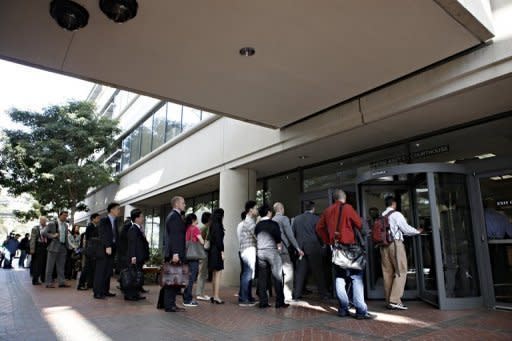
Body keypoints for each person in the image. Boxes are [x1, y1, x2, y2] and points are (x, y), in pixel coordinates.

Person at [316, 189, 374, 319]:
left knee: (340, 278)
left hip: (337, 249)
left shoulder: (327, 211)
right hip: (351, 249)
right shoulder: (348, 208)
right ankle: (361, 311)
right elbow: (359, 224)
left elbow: (319, 228)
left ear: (334, 199)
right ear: (344, 198)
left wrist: (328, 240)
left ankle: (343, 308)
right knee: (356, 278)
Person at [380, 196, 423, 310]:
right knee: (401, 271)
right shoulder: (396, 214)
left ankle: (389, 301)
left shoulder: (382, 215)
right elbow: (405, 228)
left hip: (383, 247)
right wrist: (416, 231)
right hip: (395, 244)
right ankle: (394, 300)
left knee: (387, 273)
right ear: (394, 203)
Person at [292, 201, 327, 300]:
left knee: (300, 272)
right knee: (318, 271)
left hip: (300, 248)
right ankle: (323, 294)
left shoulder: (297, 219)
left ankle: (297, 294)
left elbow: (293, 233)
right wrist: (323, 244)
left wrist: (296, 247)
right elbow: (320, 233)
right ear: (313, 208)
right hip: (314, 248)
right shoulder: (316, 218)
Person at [255, 204, 288, 309]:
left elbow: (256, 237)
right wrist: (279, 250)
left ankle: (263, 302)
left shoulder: (258, 225)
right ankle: (279, 302)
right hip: (272, 252)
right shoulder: (274, 224)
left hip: (260, 252)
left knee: (263, 278)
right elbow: (278, 239)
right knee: (277, 277)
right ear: (269, 212)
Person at [273, 202, 304, 302]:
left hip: (275, 249)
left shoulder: (272, 220)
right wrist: (297, 248)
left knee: (278, 273)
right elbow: (290, 235)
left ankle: (279, 295)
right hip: (284, 249)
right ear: (281, 209)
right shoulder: (284, 219)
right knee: (288, 271)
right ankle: (287, 295)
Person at [163, 196, 187, 312]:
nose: (184, 205)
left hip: (174, 252)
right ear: (177, 204)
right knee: (172, 280)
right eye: (183, 203)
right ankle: (169, 305)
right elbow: (175, 236)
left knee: (174, 280)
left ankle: (171, 303)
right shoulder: (174, 217)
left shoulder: (174, 216)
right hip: (174, 253)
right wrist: (176, 253)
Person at [94, 202, 121, 299]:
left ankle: (105, 291)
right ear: (112, 210)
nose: (119, 211)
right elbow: (103, 234)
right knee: (101, 271)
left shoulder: (116, 221)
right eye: (118, 209)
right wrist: (107, 246)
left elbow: (115, 235)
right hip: (104, 249)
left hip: (112, 249)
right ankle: (97, 292)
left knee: (108, 271)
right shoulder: (104, 220)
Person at [125, 208, 150, 301]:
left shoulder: (138, 229)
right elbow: (132, 244)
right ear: (136, 218)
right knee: (133, 276)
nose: (143, 218)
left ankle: (135, 293)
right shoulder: (133, 229)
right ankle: (131, 295)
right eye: (142, 217)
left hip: (139, 256)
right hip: (135, 257)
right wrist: (133, 256)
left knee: (136, 275)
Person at [238, 201, 259, 306]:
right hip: (248, 249)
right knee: (247, 274)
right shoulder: (250, 221)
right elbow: (257, 236)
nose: (257, 210)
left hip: (246, 250)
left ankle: (247, 297)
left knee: (248, 274)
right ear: (250, 210)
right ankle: (243, 299)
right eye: (256, 208)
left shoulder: (249, 220)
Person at [43, 211, 71, 288]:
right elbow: (44, 232)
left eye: (66, 216)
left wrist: (67, 246)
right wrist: (53, 235)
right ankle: (48, 283)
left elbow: (65, 237)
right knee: (50, 266)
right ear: (60, 216)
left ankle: (61, 282)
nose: (65, 217)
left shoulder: (65, 225)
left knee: (61, 266)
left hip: (63, 247)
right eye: (64, 216)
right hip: (53, 247)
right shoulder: (52, 223)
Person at [183, 213, 204, 307]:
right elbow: (201, 241)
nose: (197, 221)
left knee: (187, 277)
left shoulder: (186, 228)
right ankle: (187, 299)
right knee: (191, 278)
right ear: (193, 220)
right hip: (193, 256)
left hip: (185, 256)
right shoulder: (195, 229)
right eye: (196, 219)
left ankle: (185, 297)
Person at [78, 213, 100, 290]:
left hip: (93, 250)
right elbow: (89, 239)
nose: (98, 219)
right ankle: (81, 284)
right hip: (90, 250)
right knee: (87, 267)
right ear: (93, 219)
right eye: (97, 218)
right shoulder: (90, 227)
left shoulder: (95, 226)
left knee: (91, 267)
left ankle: (90, 283)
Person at [208, 208, 226, 304]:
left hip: (212, 252)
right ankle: (216, 297)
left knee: (214, 275)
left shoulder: (212, 225)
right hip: (217, 252)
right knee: (218, 275)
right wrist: (222, 252)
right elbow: (219, 241)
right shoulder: (218, 226)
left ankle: (214, 296)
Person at [195, 211, 211, 301]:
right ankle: (200, 293)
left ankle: (201, 293)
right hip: (203, 253)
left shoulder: (200, 227)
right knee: (202, 273)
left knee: (202, 273)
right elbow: (204, 242)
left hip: (199, 252)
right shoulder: (205, 228)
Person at [30, 216, 48, 285]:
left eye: (45, 220)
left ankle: (43, 278)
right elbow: (33, 239)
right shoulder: (35, 228)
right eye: (43, 220)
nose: (44, 222)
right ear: (40, 221)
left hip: (45, 247)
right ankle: (35, 280)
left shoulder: (47, 228)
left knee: (43, 264)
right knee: (37, 264)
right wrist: (32, 249)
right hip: (38, 247)